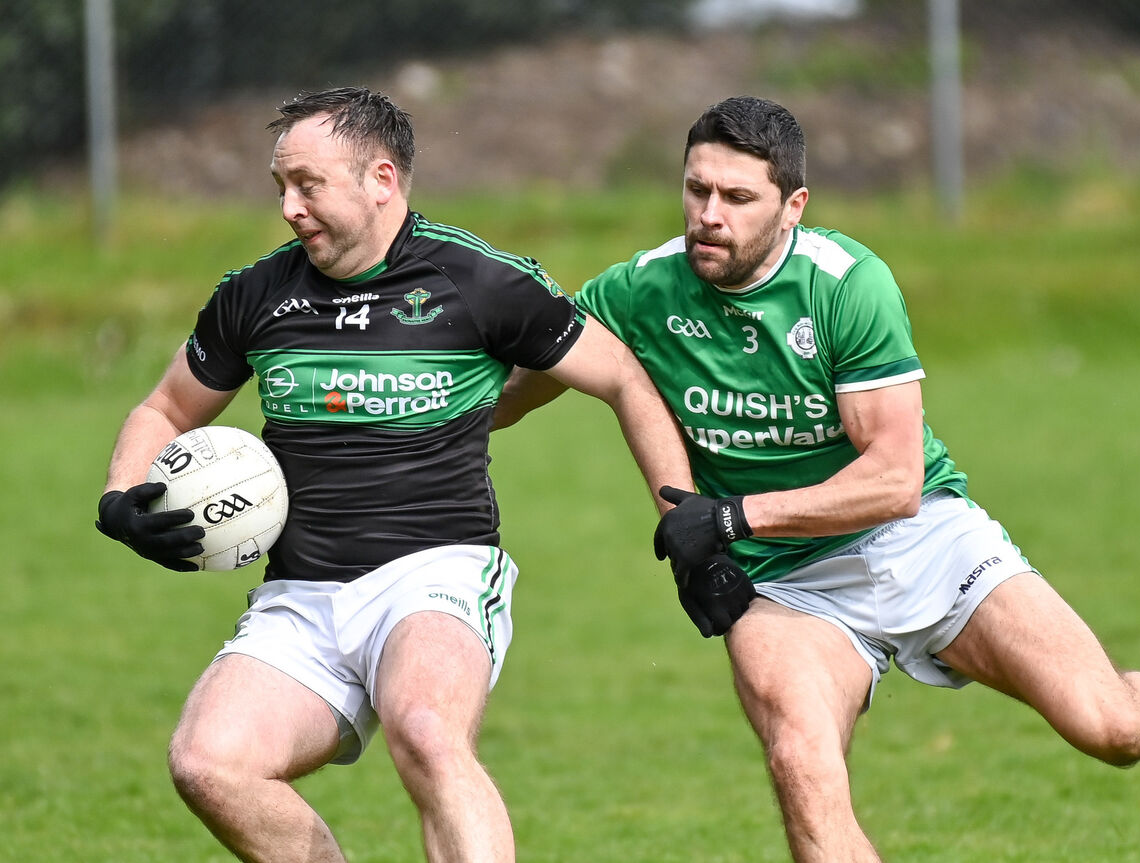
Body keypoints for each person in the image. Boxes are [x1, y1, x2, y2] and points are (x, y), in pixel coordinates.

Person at [497, 95, 1140, 862]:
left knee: (1108, 726)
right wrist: (411, 403)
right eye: (697, 189)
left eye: (737, 197)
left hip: (919, 536)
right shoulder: (640, 289)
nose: (708, 214)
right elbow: (516, 393)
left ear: (793, 205)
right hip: (786, 586)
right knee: (801, 763)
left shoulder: (846, 285)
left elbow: (894, 480)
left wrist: (731, 520)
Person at [94, 86, 697, 863]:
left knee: (427, 729)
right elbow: (167, 409)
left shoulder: (477, 281)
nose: (288, 206)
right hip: (301, 594)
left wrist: (683, 514)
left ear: (381, 180)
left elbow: (621, 375)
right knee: (208, 763)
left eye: (307, 184)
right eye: (280, 186)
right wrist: (119, 498)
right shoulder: (256, 295)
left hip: (435, 572)